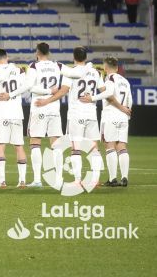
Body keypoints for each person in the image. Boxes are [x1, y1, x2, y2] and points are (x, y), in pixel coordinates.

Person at [52, 47, 112, 188]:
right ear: (86, 57)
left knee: (76, 148)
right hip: (91, 114)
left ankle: (78, 180)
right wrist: (93, 98)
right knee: (94, 148)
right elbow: (106, 92)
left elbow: (64, 91)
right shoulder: (95, 72)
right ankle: (95, 180)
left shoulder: (70, 72)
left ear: (74, 57)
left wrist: (47, 100)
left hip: (76, 114)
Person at [25, 42, 70, 188]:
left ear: (37, 52)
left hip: (39, 107)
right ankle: (58, 179)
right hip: (54, 108)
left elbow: (30, 87)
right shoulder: (57, 65)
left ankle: (37, 180)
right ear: (48, 52)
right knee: (56, 144)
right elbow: (74, 74)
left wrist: (47, 92)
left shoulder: (33, 66)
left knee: (35, 142)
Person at [0, 49, 33, 188]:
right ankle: (22, 181)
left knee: (0, 146)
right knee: (19, 146)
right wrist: (13, 95)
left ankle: (2, 181)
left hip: (1, 113)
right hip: (17, 113)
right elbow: (26, 89)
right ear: (7, 57)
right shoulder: (19, 70)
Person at [101, 57, 133, 187]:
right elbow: (130, 100)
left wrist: (120, 108)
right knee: (122, 147)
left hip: (111, 116)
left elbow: (109, 96)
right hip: (123, 117)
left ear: (106, 67)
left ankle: (113, 178)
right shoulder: (125, 81)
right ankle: (124, 178)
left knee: (110, 146)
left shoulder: (109, 79)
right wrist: (126, 112)